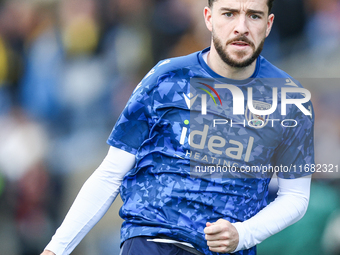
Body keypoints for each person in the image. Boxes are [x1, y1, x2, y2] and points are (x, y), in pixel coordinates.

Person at [41, 0, 314, 254]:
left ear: (268, 24)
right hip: (151, 239)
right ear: (208, 18)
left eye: (254, 16)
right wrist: (56, 249)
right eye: (229, 13)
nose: (241, 27)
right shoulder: (166, 77)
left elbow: (296, 197)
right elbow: (111, 173)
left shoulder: (288, 98)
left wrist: (244, 234)